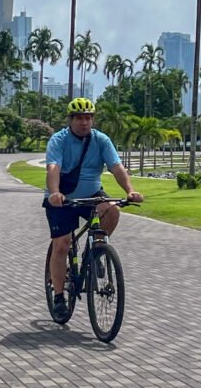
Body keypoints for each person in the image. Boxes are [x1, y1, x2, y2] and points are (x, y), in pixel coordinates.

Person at [43, 97, 143, 321]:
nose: (84, 122)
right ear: (70, 120)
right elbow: (53, 168)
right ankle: (59, 297)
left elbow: (116, 167)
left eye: (88, 118)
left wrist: (130, 190)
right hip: (63, 198)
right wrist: (55, 192)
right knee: (62, 244)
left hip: (92, 194)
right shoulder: (59, 140)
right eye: (79, 118)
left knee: (113, 210)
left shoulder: (101, 140)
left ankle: (95, 251)